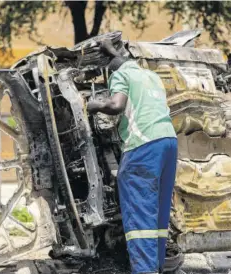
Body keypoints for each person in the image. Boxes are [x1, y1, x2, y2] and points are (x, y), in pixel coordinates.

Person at [86, 40, 178, 274]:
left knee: (140, 215)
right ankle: (156, 267)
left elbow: (116, 105)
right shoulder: (151, 76)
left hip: (143, 146)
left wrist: (93, 105)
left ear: (111, 67)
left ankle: (145, 271)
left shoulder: (120, 75)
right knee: (158, 213)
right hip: (168, 142)